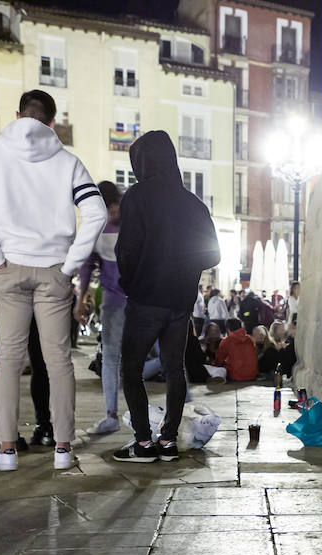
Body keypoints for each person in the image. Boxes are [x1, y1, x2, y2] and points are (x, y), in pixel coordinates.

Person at [0, 88, 105, 471]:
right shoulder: (68, 161)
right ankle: (63, 448)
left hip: (8, 267)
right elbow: (97, 213)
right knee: (58, 361)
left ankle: (6, 450)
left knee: (8, 359)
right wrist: (71, 265)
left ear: (17, 115)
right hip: (54, 269)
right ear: (52, 123)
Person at [111, 129, 219, 463]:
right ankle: (168, 440)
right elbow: (212, 255)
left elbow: (126, 251)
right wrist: (184, 268)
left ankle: (144, 442)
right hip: (180, 303)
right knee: (175, 369)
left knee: (131, 370)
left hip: (146, 299)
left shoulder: (137, 197)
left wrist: (133, 283)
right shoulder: (194, 204)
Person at [77, 181, 125, 435]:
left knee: (124, 358)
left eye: (114, 207)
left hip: (134, 300)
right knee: (110, 357)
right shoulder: (96, 226)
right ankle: (111, 414)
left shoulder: (128, 222)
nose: (111, 212)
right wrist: (81, 299)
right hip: (114, 301)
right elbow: (87, 266)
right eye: (108, 208)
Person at [215, 317, 258, 383]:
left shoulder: (227, 341)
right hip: (252, 375)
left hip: (236, 376)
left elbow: (219, 360)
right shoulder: (249, 339)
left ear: (228, 329)